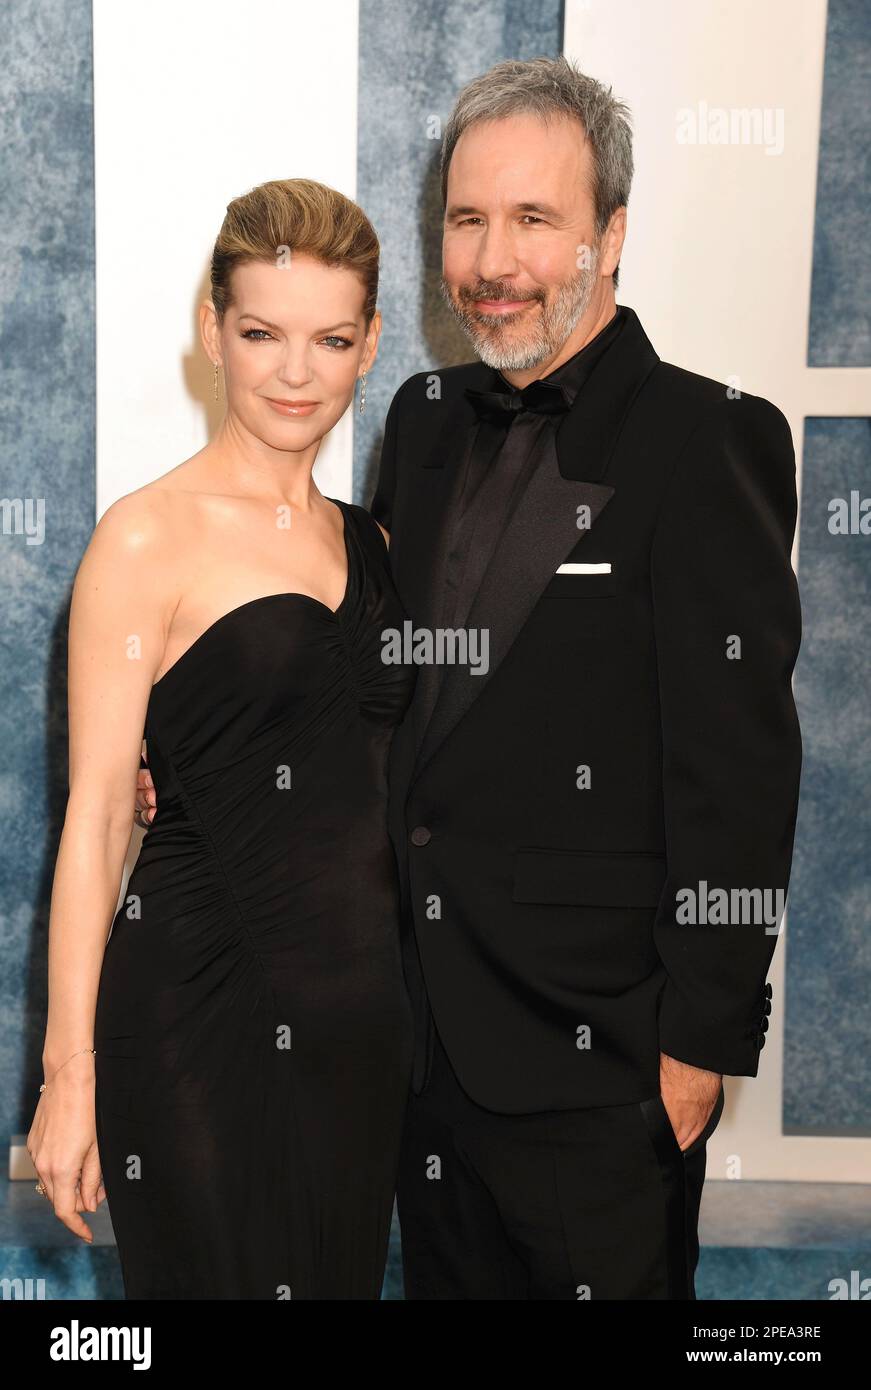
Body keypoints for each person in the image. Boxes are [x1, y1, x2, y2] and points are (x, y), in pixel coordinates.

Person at [369, 56, 801, 1299]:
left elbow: (738, 765)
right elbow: (393, 691)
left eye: (532, 220)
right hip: (424, 1046)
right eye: (467, 219)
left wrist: (699, 1041)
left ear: (609, 236)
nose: (492, 261)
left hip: (604, 1060)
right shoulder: (424, 417)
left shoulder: (708, 434)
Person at [28, 177, 416, 1299]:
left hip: (358, 1028)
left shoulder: (378, 540)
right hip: (198, 1010)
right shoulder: (145, 539)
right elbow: (100, 818)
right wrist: (68, 1074)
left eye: (331, 338)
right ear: (213, 332)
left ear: (369, 343)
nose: (297, 373)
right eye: (262, 334)